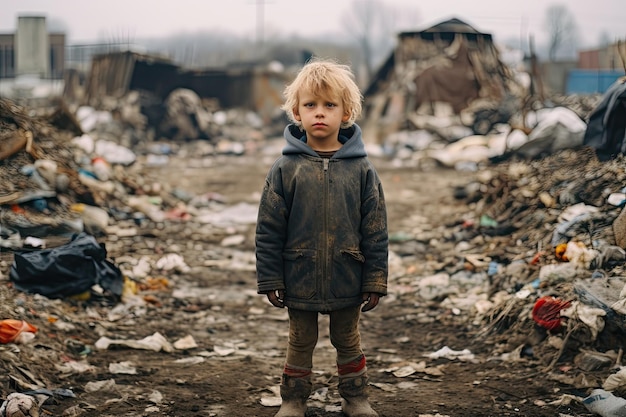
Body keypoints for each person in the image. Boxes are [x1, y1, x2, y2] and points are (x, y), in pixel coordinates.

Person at [255, 57, 388, 417]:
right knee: (300, 340)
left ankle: (356, 398)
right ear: (296, 112)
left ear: (347, 112)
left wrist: (375, 278)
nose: (319, 113)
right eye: (310, 105)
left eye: (330, 105)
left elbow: (375, 229)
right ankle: (294, 400)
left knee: (348, 340)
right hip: (299, 274)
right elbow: (268, 229)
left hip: (349, 272)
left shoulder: (362, 170)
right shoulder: (285, 169)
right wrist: (270, 277)